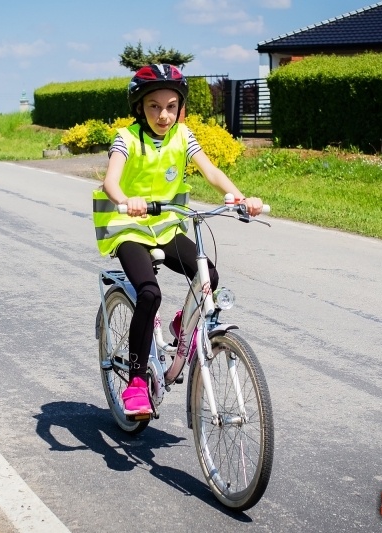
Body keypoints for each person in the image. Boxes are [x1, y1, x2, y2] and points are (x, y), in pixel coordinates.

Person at [92, 64, 264, 416]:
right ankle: (136, 382)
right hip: (128, 227)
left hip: (167, 226)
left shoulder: (184, 136)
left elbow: (211, 171)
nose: (164, 115)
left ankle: (180, 324)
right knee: (149, 293)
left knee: (208, 276)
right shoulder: (126, 138)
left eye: (171, 106)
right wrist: (126, 200)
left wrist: (241, 197)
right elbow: (111, 181)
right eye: (154, 106)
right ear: (139, 107)